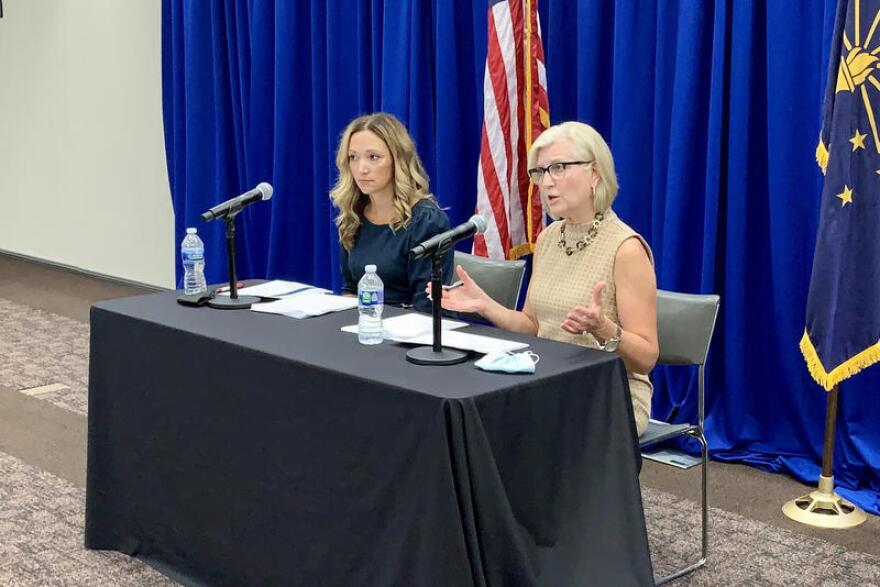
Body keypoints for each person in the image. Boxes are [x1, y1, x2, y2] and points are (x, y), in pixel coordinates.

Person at [435, 121, 658, 435]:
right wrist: (485, 305)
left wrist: (603, 328)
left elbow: (646, 358)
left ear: (595, 173)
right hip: (549, 379)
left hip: (609, 392)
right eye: (540, 172)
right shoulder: (549, 238)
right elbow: (533, 326)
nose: (546, 182)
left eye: (559, 168)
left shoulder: (626, 249)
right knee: (467, 415)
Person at [330, 113, 454, 313]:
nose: (361, 169)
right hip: (366, 323)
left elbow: (427, 306)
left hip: (411, 326)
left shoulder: (427, 221)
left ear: (398, 160)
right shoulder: (353, 215)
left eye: (373, 157)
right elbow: (351, 289)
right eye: (353, 157)